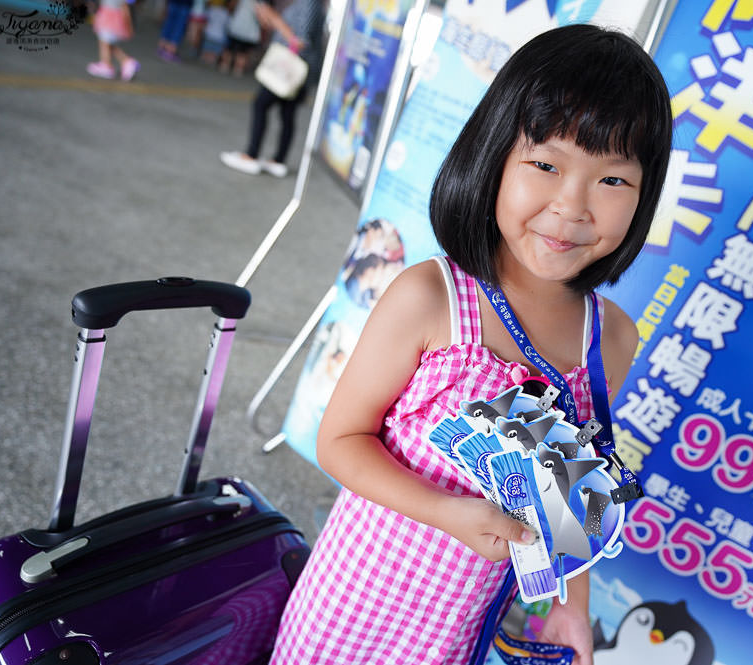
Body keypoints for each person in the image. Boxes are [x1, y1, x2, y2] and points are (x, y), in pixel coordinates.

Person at [269, 23, 672, 665]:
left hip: (461, 628)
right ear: (493, 158)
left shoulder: (612, 337)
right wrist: (446, 512)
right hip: (351, 609)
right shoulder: (429, 298)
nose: (572, 207)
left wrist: (571, 604)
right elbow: (341, 441)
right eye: (545, 165)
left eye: (613, 181)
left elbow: (572, 487)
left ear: (643, 195)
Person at [219, 0, 325, 177]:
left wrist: (274, 18)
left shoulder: (309, 3)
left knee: (261, 104)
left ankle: (251, 155)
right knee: (287, 113)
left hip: (291, 69)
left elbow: (300, 40)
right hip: (300, 71)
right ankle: (278, 161)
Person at [86, 0, 140, 80]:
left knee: (104, 42)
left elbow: (124, 8)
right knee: (108, 44)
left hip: (111, 19)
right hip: (107, 16)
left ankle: (106, 65)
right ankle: (127, 62)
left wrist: (128, 26)